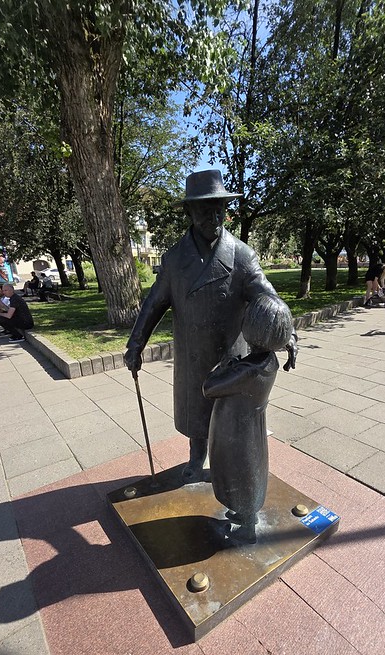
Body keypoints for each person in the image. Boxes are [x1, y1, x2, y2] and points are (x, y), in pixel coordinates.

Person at [124, 169, 297, 483]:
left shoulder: (242, 255)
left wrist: (287, 331)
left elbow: (266, 294)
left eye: (219, 209)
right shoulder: (175, 259)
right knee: (197, 414)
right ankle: (195, 457)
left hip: (230, 354)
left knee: (229, 420)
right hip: (193, 355)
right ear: (190, 211)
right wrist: (135, 344)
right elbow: (153, 305)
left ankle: (228, 468)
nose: (213, 216)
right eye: (205, 209)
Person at [203, 294, 294, 543]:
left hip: (235, 432)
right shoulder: (268, 360)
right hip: (249, 429)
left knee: (238, 473)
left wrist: (223, 366)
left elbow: (209, 388)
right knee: (248, 473)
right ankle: (244, 514)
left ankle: (246, 529)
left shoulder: (249, 370)